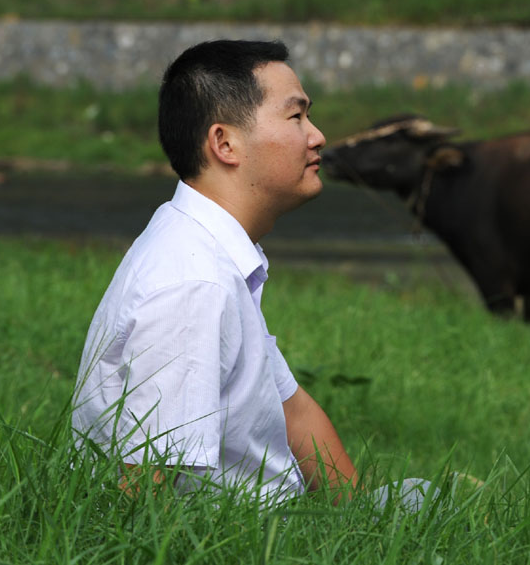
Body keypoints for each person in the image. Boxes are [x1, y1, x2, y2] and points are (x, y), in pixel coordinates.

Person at [71, 39, 359, 503]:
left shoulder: (210, 254)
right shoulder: (191, 284)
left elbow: (295, 412)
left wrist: (363, 524)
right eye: (296, 116)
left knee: (420, 503)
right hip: (251, 542)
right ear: (224, 143)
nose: (317, 134)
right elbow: (138, 497)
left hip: (275, 531)